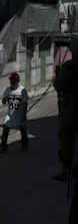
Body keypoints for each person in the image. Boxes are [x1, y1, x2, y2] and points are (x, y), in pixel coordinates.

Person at [56, 37, 78, 224]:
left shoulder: (69, 67)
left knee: (65, 136)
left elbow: (60, 86)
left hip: (72, 112)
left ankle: (66, 168)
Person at [0, 72, 29, 153]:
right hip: (10, 114)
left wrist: (24, 115)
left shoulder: (22, 90)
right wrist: (4, 99)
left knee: (23, 130)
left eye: (13, 80)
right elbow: (4, 102)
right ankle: (3, 147)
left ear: (17, 81)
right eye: (11, 80)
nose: (12, 82)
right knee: (5, 130)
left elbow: (25, 103)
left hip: (20, 114)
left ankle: (24, 144)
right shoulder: (8, 90)